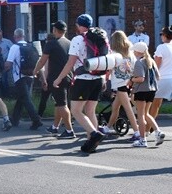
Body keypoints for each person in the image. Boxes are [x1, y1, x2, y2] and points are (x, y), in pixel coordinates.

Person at [52, 14, 106, 152]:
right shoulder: (100, 36)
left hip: (83, 79)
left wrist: (58, 79)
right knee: (90, 111)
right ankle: (91, 144)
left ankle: (94, 134)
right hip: (99, 78)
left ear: (78, 25)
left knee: (76, 110)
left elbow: (71, 63)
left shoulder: (77, 39)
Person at [35, 21, 74, 137]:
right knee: (58, 103)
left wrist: (36, 70)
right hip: (68, 76)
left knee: (62, 104)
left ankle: (69, 130)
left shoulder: (51, 43)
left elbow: (42, 60)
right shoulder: (70, 43)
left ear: (55, 30)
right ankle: (55, 127)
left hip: (56, 78)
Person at [103, 31, 139, 139]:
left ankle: (137, 131)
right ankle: (108, 127)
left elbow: (109, 68)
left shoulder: (113, 54)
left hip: (120, 84)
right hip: (129, 81)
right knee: (115, 107)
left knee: (127, 108)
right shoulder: (130, 52)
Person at [6, 28, 41, 130]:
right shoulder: (31, 46)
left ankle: (36, 120)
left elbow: (9, 63)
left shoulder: (15, 47)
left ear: (15, 36)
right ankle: (15, 119)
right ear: (24, 36)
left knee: (25, 98)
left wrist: (2, 70)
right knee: (22, 97)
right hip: (31, 75)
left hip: (19, 76)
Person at [129, 42, 162, 147]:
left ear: (138, 52)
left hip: (142, 90)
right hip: (152, 90)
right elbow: (158, 76)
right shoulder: (151, 61)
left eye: (134, 51)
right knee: (146, 113)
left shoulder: (139, 62)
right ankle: (158, 132)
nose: (133, 52)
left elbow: (140, 78)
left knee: (141, 115)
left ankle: (143, 140)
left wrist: (131, 79)